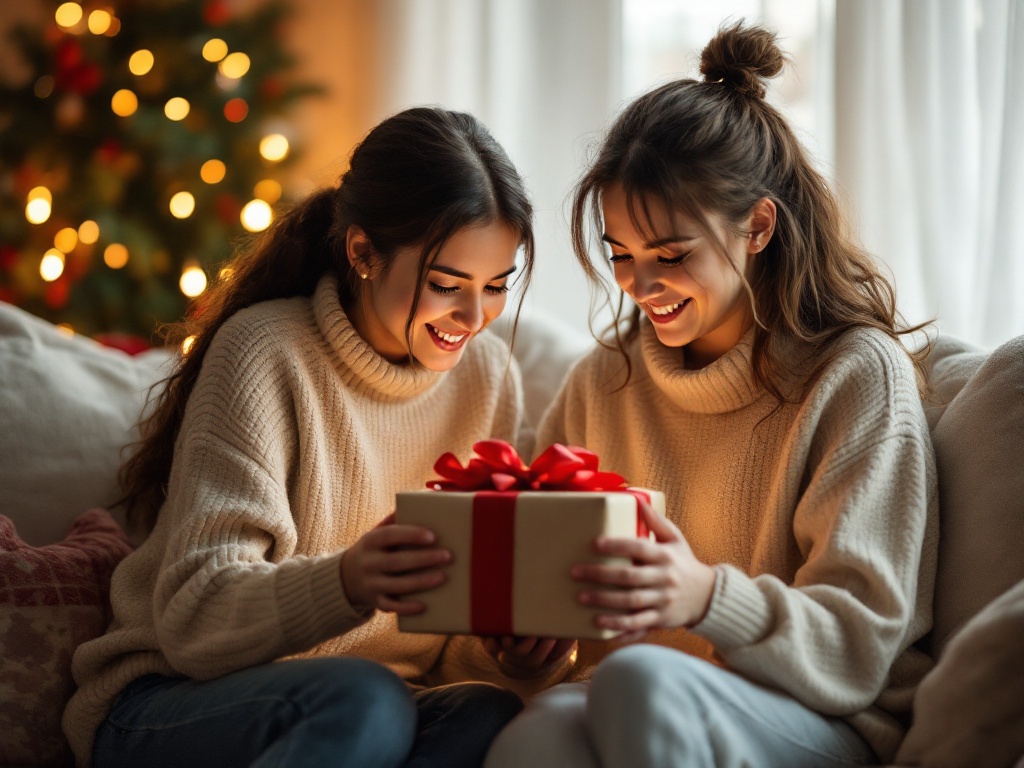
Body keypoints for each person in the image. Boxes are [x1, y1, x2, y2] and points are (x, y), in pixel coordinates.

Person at [485, 21, 939, 768]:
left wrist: (703, 598)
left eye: (671, 255)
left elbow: (860, 645)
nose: (639, 285)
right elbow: (553, 609)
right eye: (620, 255)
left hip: (827, 718)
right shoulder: (606, 381)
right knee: (535, 730)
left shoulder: (854, 374)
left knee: (636, 678)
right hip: (646, 700)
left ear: (758, 225)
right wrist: (531, 643)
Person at [63, 107, 573, 768]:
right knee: (365, 699)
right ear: (362, 252)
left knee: (487, 713)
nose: (474, 318)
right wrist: (351, 581)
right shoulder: (265, 354)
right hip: (170, 703)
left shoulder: (489, 378)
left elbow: (444, 654)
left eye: (497, 286)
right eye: (447, 285)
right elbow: (194, 620)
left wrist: (512, 653)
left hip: (364, 713)